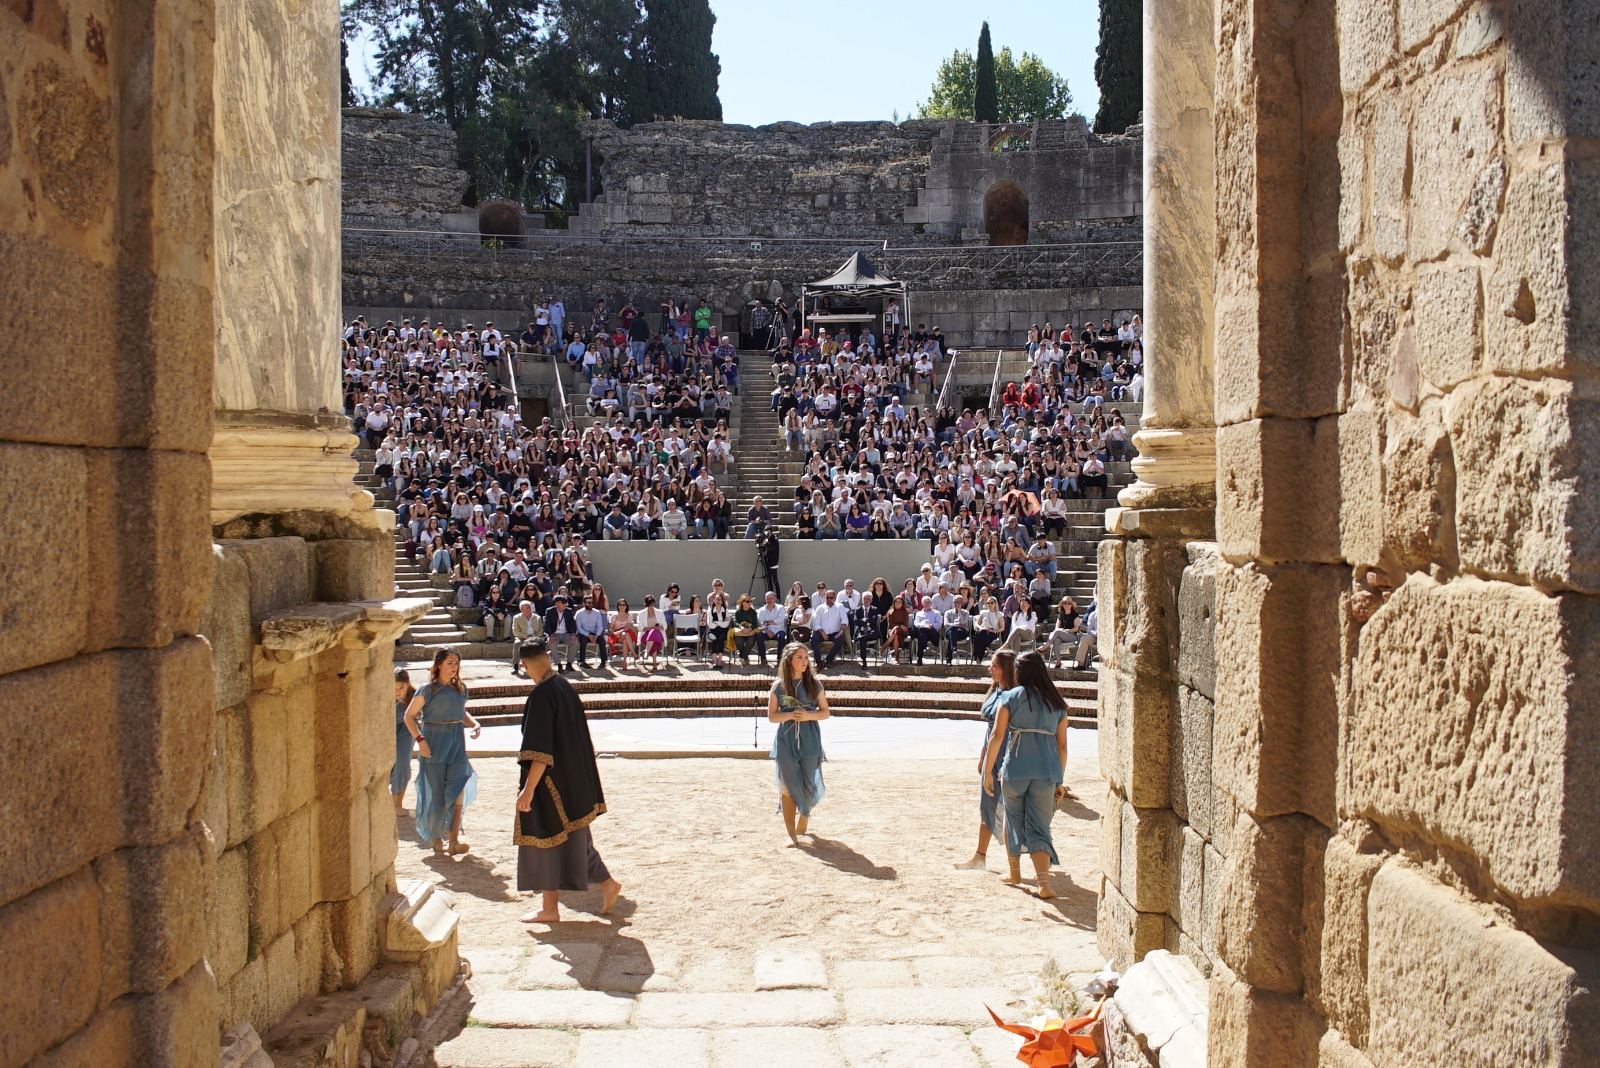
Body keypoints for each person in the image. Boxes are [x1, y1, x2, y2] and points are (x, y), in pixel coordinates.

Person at [514, 640, 623, 924]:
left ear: (524, 666)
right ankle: (605, 884)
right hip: (572, 781)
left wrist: (528, 790)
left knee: (546, 842)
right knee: (574, 841)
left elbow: (540, 751)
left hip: (550, 785)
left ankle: (551, 909)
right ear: (548, 657)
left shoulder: (541, 696)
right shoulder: (563, 685)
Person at [980, 652, 1070, 898]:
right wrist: (1059, 780)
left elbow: (997, 736)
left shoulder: (1009, 697)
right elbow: (1062, 746)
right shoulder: (1058, 703)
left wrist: (988, 771)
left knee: (1012, 815)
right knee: (1040, 824)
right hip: (1046, 771)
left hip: (1016, 767)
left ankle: (1015, 871)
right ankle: (1044, 883)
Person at [401, 649, 481, 855]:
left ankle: (454, 839)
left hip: (456, 742)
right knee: (436, 794)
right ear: (438, 665)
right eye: (449, 663)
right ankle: (436, 837)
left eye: (456, 663)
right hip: (433, 743)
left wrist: (474, 723)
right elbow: (409, 716)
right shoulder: (426, 689)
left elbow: (461, 712)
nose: (454, 667)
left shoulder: (460, 688)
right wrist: (420, 740)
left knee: (457, 789)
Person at [955, 650, 1016, 870]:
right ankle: (980, 856)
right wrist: (983, 757)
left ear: (1005, 669)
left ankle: (1013, 865)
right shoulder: (997, 690)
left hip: (1006, 753)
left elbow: (1000, 733)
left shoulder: (1013, 694)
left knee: (1012, 808)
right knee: (987, 804)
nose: (989, 669)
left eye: (995, 666)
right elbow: (990, 732)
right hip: (992, 749)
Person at [767, 643, 830, 847]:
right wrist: (790, 715)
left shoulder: (814, 684)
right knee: (788, 785)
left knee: (807, 783)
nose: (804, 662)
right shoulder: (778, 686)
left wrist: (809, 715)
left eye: (806, 657)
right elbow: (772, 717)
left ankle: (805, 811)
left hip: (810, 738)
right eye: (799, 657)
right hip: (786, 740)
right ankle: (791, 835)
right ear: (789, 661)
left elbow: (825, 712)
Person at [392, 668, 417, 811]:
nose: (398, 691)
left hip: (406, 730)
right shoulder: (382, 695)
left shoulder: (414, 695)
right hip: (386, 730)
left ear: (407, 684)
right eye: (394, 688)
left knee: (402, 762)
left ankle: (398, 802)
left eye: (401, 687)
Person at [809, 588, 848, 668]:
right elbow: (816, 623)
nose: (829, 599)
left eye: (831, 598)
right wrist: (822, 633)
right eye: (827, 597)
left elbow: (844, 619)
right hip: (822, 632)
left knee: (840, 640)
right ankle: (819, 662)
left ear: (834, 598)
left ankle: (828, 660)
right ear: (825, 598)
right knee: (814, 640)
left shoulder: (840, 606)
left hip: (835, 632)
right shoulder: (820, 608)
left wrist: (841, 630)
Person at [544, 594, 579, 672]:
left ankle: (569, 664)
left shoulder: (568, 611)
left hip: (565, 634)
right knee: (551, 643)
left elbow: (573, 624)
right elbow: (547, 625)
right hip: (554, 634)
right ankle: (559, 664)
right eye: (559, 603)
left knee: (575, 641)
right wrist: (551, 635)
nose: (561, 604)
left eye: (563, 603)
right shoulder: (550, 611)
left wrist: (573, 634)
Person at [575, 593, 610, 669]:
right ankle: (582, 661)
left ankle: (603, 662)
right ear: (584, 603)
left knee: (602, 640)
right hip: (584, 633)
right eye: (589, 603)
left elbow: (600, 626)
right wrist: (588, 635)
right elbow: (579, 628)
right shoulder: (579, 613)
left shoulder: (597, 612)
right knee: (583, 640)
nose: (591, 604)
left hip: (595, 633)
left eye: (592, 603)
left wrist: (596, 636)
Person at [511, 600, 542, 677]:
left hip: (534, 636)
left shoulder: (537, 618)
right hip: (522, 637)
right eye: (523, 609)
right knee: (517, 643)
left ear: (530, 608)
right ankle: (516, 665)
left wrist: (535, 637)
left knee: (540, 643)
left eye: (527, 608)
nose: (525, 610)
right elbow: (515, 632)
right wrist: (526, 637)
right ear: (520, 610)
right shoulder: (517, 617)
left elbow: (541, 630)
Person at [755, 590, 788, 664]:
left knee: (781, 636)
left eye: (771, 598)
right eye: (767, 598)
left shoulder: (780, 608)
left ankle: (779, 658)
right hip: (767, 631)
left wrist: (768, 622)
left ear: (775, 599)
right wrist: (767, 630)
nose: (769, 600)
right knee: (759, 635)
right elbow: (761, 623)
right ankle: (763, 658)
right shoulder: (761, 610)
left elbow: (780, 620)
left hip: (778, 630)